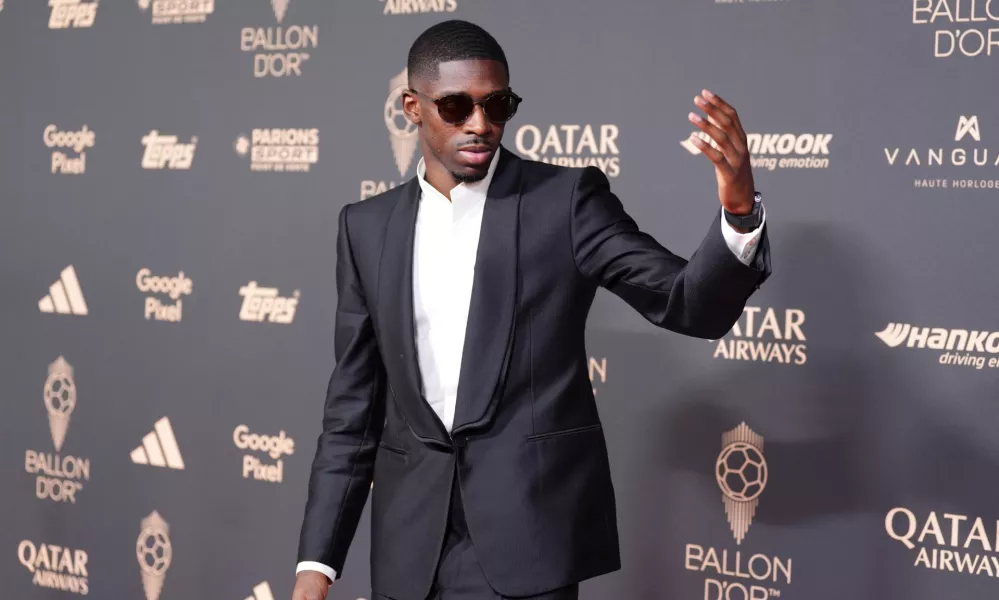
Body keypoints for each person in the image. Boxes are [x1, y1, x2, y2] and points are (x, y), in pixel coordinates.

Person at [292, 19, 771, 600]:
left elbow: (687, 305)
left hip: (528, 547)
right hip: (407, 553)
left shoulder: (564, 202)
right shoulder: (366, 228)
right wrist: (316, 565)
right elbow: (352, 409)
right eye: (456, 106)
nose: (480, 124)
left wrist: (739, 210)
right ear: (412, 107)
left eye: (497, 105)